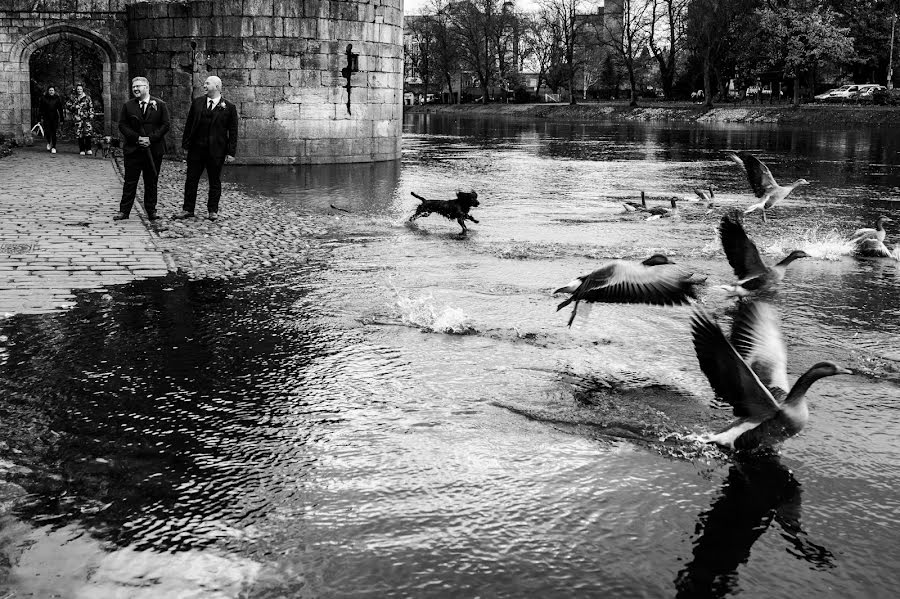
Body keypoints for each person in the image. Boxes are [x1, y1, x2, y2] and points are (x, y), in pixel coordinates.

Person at [177, 75, 238, 221]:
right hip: (196, 150)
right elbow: (189, 124)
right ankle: (188, 209)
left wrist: (231, 152)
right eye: (204, 83)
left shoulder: (229, 107)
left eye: (207, 83)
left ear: (216, 87)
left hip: (216, 151)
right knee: (191, 180)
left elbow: (233, 131)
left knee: (214, 181)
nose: (204, 86)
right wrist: (186, 144)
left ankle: (212, 210)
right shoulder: (197, 103)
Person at [114, 77, 171, 221]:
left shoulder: (160, 104)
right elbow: (122, 125)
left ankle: (151, 211)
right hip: (133, 149)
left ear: (147, 87)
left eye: (138, 86)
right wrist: (137, 138)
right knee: (130, 181)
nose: (135, 89)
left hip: (153, 150)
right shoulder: (128, 106)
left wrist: (150, 139)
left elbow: (165, 125)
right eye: (133, 87)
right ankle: (124, 211)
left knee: (151, 180)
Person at [66, 84, 95, 156]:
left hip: (86, 117)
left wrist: (91, 114)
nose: (79, 90)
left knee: (87, 133)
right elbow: (68, 105)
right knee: (79, 134)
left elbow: (91, 106)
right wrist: (74, 107)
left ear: (82, 90)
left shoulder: (87, 98)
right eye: (78, 89)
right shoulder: (73, 98)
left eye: (80, 89)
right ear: (76, 90)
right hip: (77, 118)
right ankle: (82, 149)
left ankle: (88, 149)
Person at [38, 86, 64, 154]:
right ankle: (49, 142)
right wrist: (39, 118)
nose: (51, 91)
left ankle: (54, 147)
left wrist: (61, 118)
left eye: (52, 90)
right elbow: (40, 109)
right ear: (48, 91)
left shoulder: (57, 99)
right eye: (50, 90)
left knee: (54, 132)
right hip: (46, 117)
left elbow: (60, 109)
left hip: (54, 117)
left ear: (54, 91)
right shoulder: (44, 98)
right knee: (47, 132)